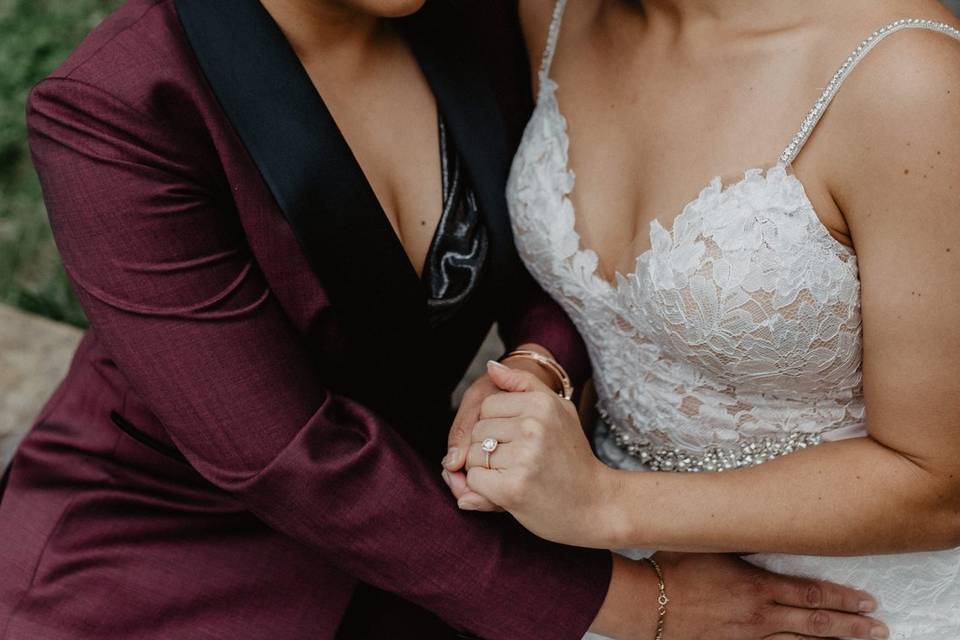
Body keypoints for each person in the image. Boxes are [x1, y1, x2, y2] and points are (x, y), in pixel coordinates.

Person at [0, 0, 886, 638]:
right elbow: (282, 456)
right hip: (164, 557)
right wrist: (636, 604)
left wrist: (539, 364)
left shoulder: (473, 19)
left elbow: (557, 242)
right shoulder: (119, 108)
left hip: (431, 520)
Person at [444, 0, 960, 637]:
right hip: (614, 582)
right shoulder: (552, 12)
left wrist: (605, 504)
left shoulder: (907, 80)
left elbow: (939, 482)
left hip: (835, 604)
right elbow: (596, 296)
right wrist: (536, 367)